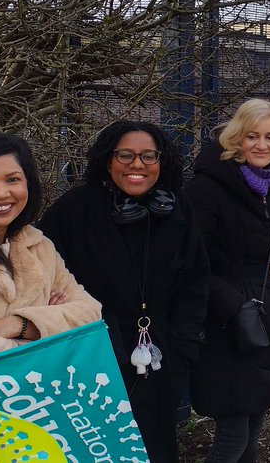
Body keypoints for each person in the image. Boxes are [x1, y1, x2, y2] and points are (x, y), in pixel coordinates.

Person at [39, 122, 209, 463]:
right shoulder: (74, 210)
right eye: (126, 155)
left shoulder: (176, 208)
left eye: (148, 156)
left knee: (156, 446)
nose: (137, 164)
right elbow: (41, 274)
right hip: (94, 357)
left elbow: (196, 280)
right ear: (107, 160)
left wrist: (182, 347)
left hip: (160, 356)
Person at [185, 99, 270, 463]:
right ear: (236, 138)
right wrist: (234, 305)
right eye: (252, 136)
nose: (262, 145)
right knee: (234, 432)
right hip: (231, 323)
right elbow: (194, 264)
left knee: (256, 418)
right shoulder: (205, 190)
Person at [0, 133, 102, 366]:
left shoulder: (39, 246)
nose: (1, 193)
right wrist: (51, 331)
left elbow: (92, 316)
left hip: (40, 400)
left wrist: (19, 324)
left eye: (12, 180)